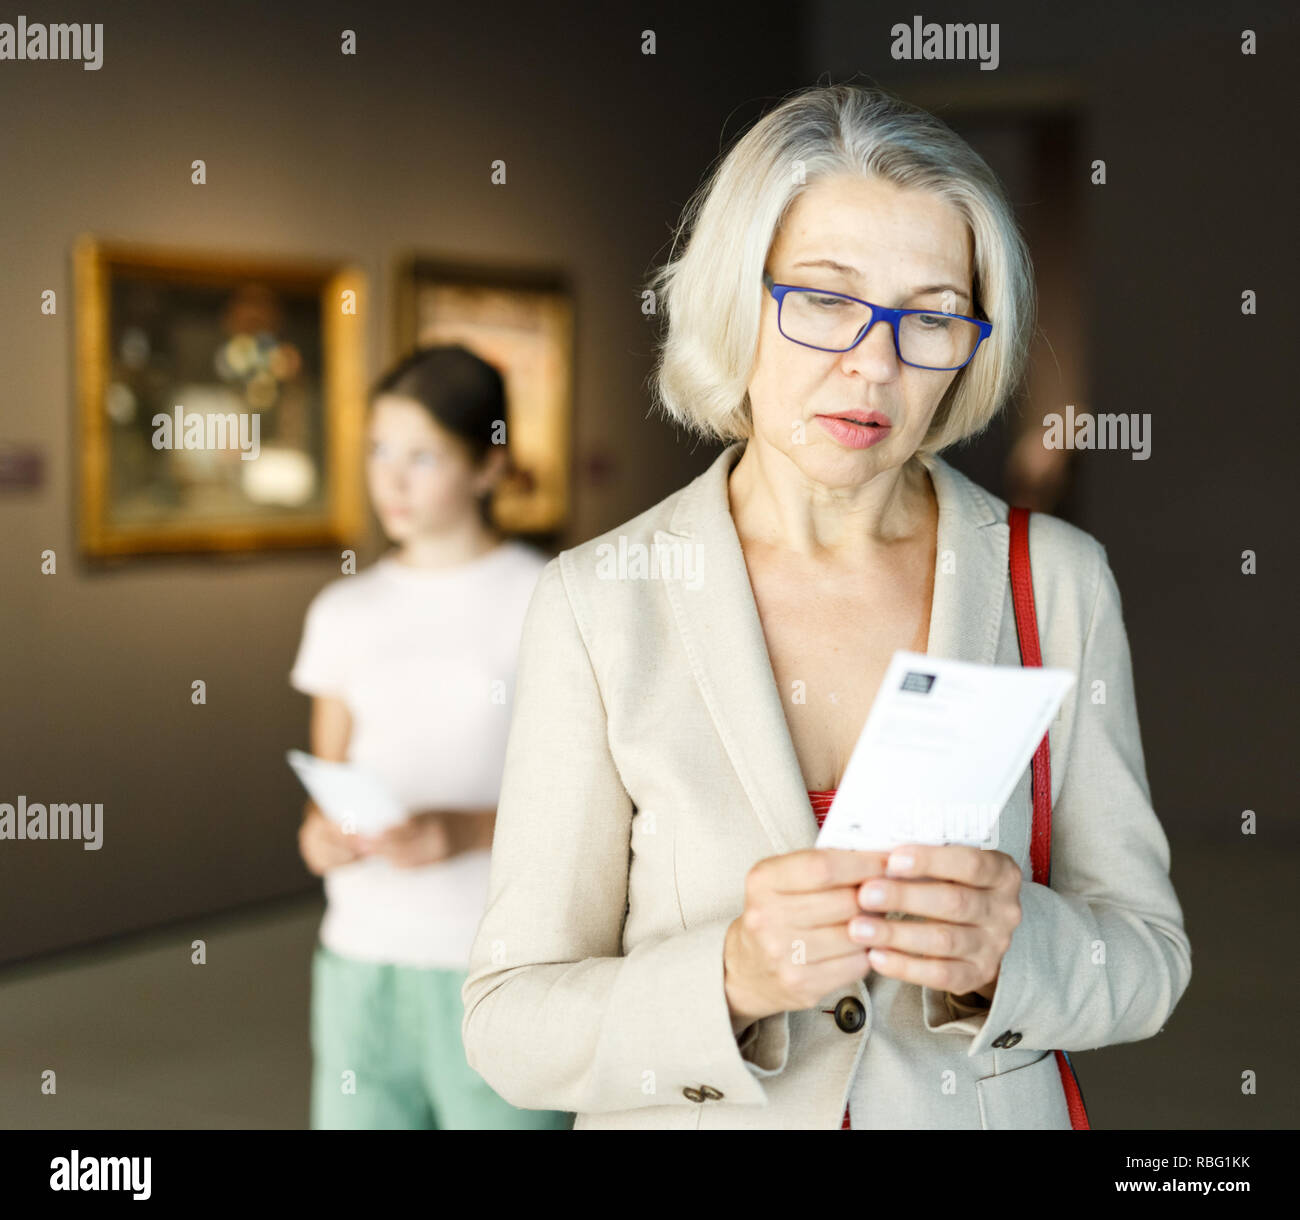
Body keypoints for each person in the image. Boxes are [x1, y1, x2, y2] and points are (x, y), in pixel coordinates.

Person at [460, 84, 1191, 1129]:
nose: (875, 363)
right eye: (826, 299)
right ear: (730, 298)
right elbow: (510, 1021)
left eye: (931, 315)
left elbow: (1149, 957)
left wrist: (1013, 953)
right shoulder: (597, 601)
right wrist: (732, 976)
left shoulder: (1055, 578)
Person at [291, 343, 571, 1131]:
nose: (392, 479)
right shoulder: (342, 612)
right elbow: (323, 793)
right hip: (358, 960)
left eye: (423, 455)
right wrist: (321, 839)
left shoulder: (549, 597)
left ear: (488, 466)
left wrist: (464, 829)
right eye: (380, 450)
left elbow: (591, 810)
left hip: (494, 962)